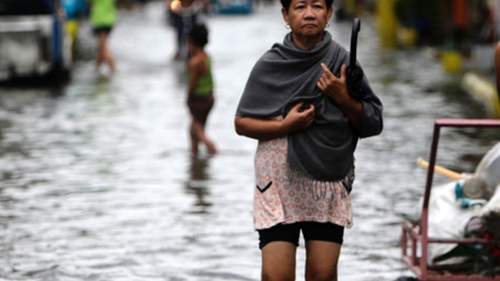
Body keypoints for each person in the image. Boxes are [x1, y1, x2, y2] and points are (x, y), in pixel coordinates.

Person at [234, 0, 383, 279]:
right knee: (276, 276)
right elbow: (241, 123)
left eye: (317, 6)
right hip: (278, 184)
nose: (309, 14)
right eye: (300, 7)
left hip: (325, 184)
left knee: (323, 276)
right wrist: (285, 126)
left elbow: (374, 121)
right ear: (285, 15)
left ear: (329, 14)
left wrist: (343, 97)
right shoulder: (270, 64)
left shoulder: (342, 62)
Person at [186, 24, 217, 158]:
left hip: (199, 99)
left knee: (198, 132)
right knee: (194, 130)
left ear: (191, 42)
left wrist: (188, 98)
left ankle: (214, 152)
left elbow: (192, 83)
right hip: (209, 97)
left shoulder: (194, 62)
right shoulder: (207, 57)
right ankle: (196, 160)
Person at [89, 0, 116, 74]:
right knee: (101, 47)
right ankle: (96, 68)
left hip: (100, 21)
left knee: (103, 47)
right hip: (110, 20)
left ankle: (113, 70)